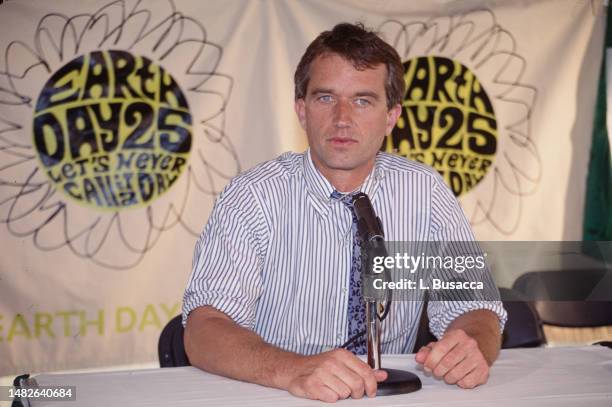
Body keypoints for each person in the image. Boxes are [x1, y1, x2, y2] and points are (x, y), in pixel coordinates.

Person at [182, 22, 507, 403]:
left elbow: (476, 308)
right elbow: (204, 330)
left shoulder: (425, 191)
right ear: (301, 111)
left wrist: (471, 346)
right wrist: (294, 369)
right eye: (325, 98)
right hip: (278, 395)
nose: (342, 118)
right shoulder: (253, 196)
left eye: (362, 101)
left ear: (391, 117)